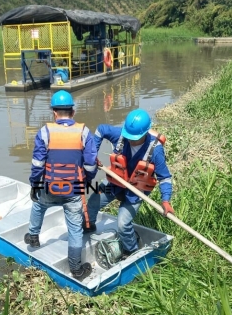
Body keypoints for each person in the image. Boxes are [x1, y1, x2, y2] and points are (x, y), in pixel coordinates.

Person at [25, 90, 98, 281]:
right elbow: (90, 164)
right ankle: (76, 269)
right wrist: (87, 180)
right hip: (74, 190)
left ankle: (33, 236)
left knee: (39, 203)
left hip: (51, 186)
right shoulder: (84, 132)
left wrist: (34, 184)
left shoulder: (45, 132)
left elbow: (37, 164)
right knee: (75, 229)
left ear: (54, 113)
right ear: (73, 112)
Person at [85, 108, 174, 257]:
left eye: (135, 138)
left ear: (145, 133)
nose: (131, 140)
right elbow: (101, 129)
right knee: (93, 201)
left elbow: (165, 178)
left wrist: (166, 200)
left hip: (136, 190)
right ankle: (88, 226)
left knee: (123, 224)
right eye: (129, 136)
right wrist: (92, 154)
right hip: (115, 182)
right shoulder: (121, 136)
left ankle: (131, 250)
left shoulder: (155, 150)